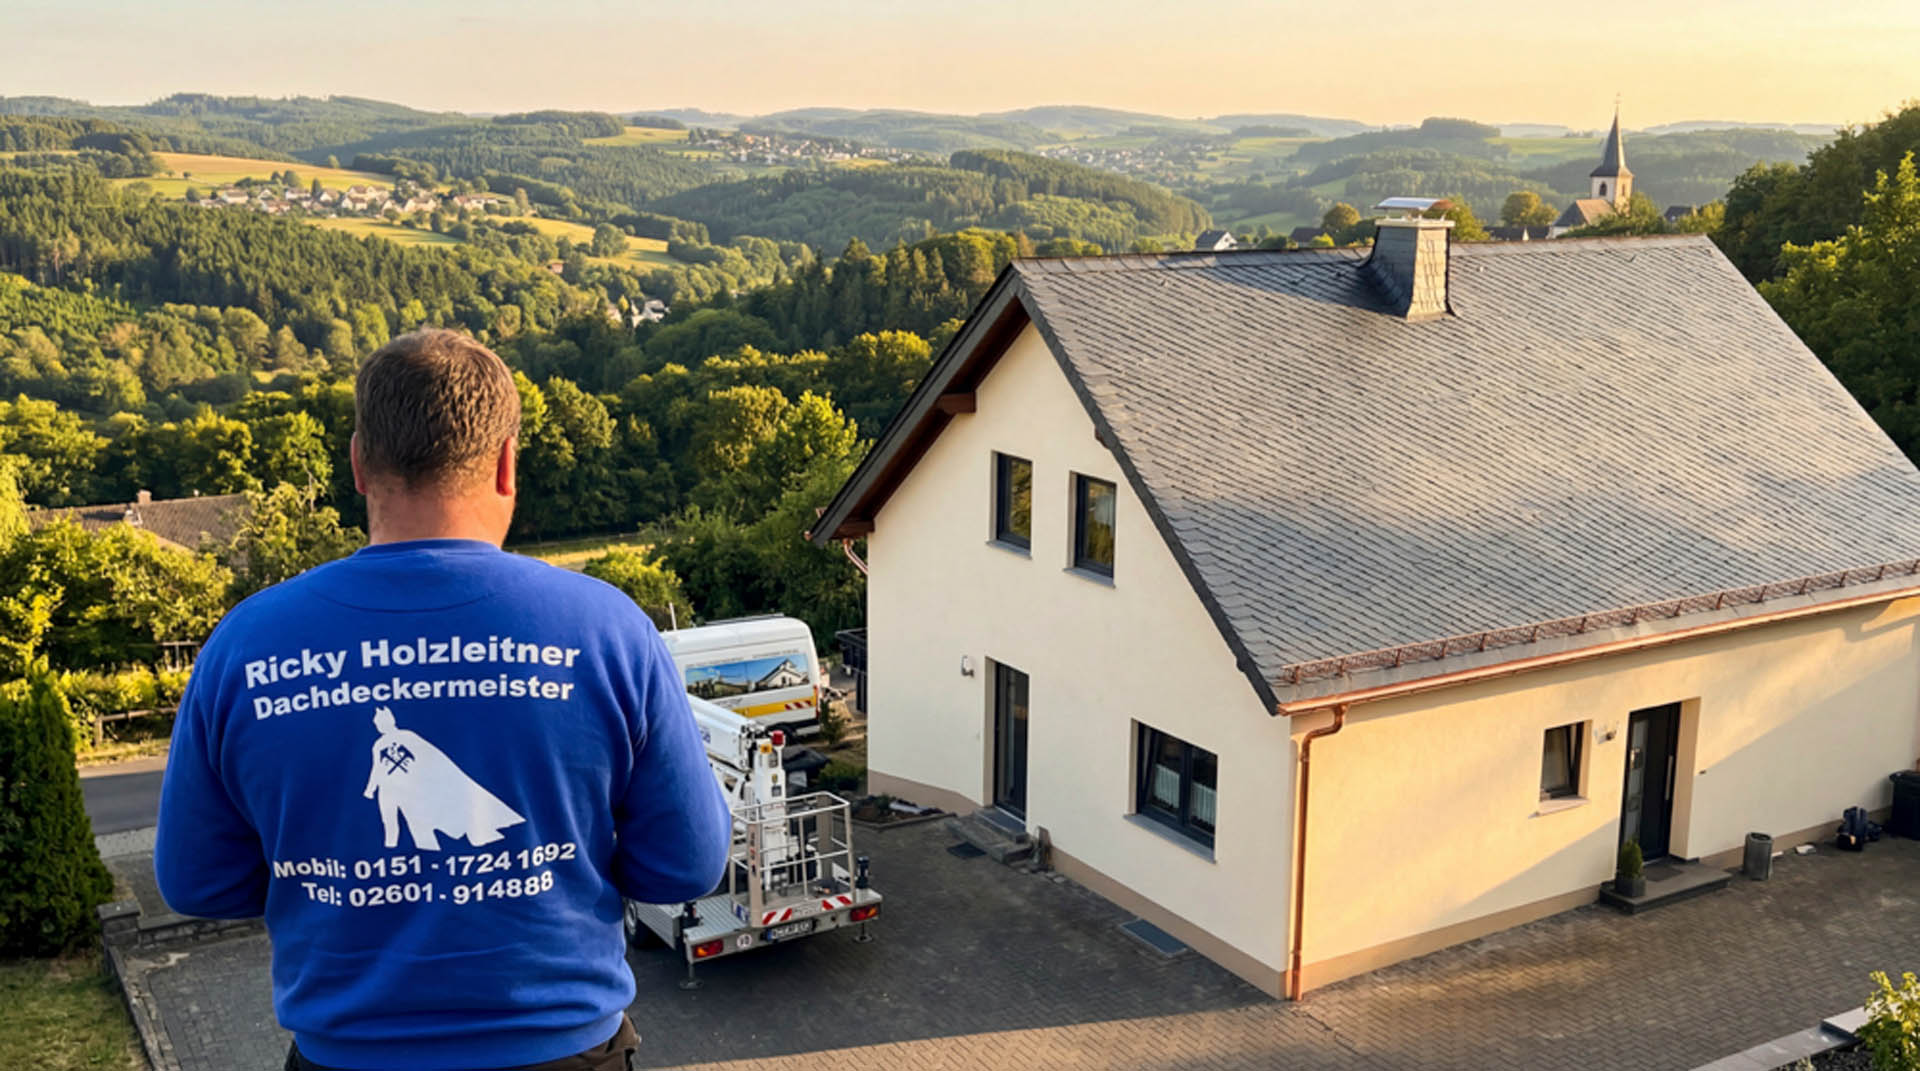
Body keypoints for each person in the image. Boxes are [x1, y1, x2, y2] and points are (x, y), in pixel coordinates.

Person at [155, 328, 732, 1070]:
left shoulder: (245, 646)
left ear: (359, 464)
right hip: (562, 1052)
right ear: (507, 463)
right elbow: (687, 866)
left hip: (347, 1057)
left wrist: (331, 879)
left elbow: (198, 881)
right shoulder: (608, 630)